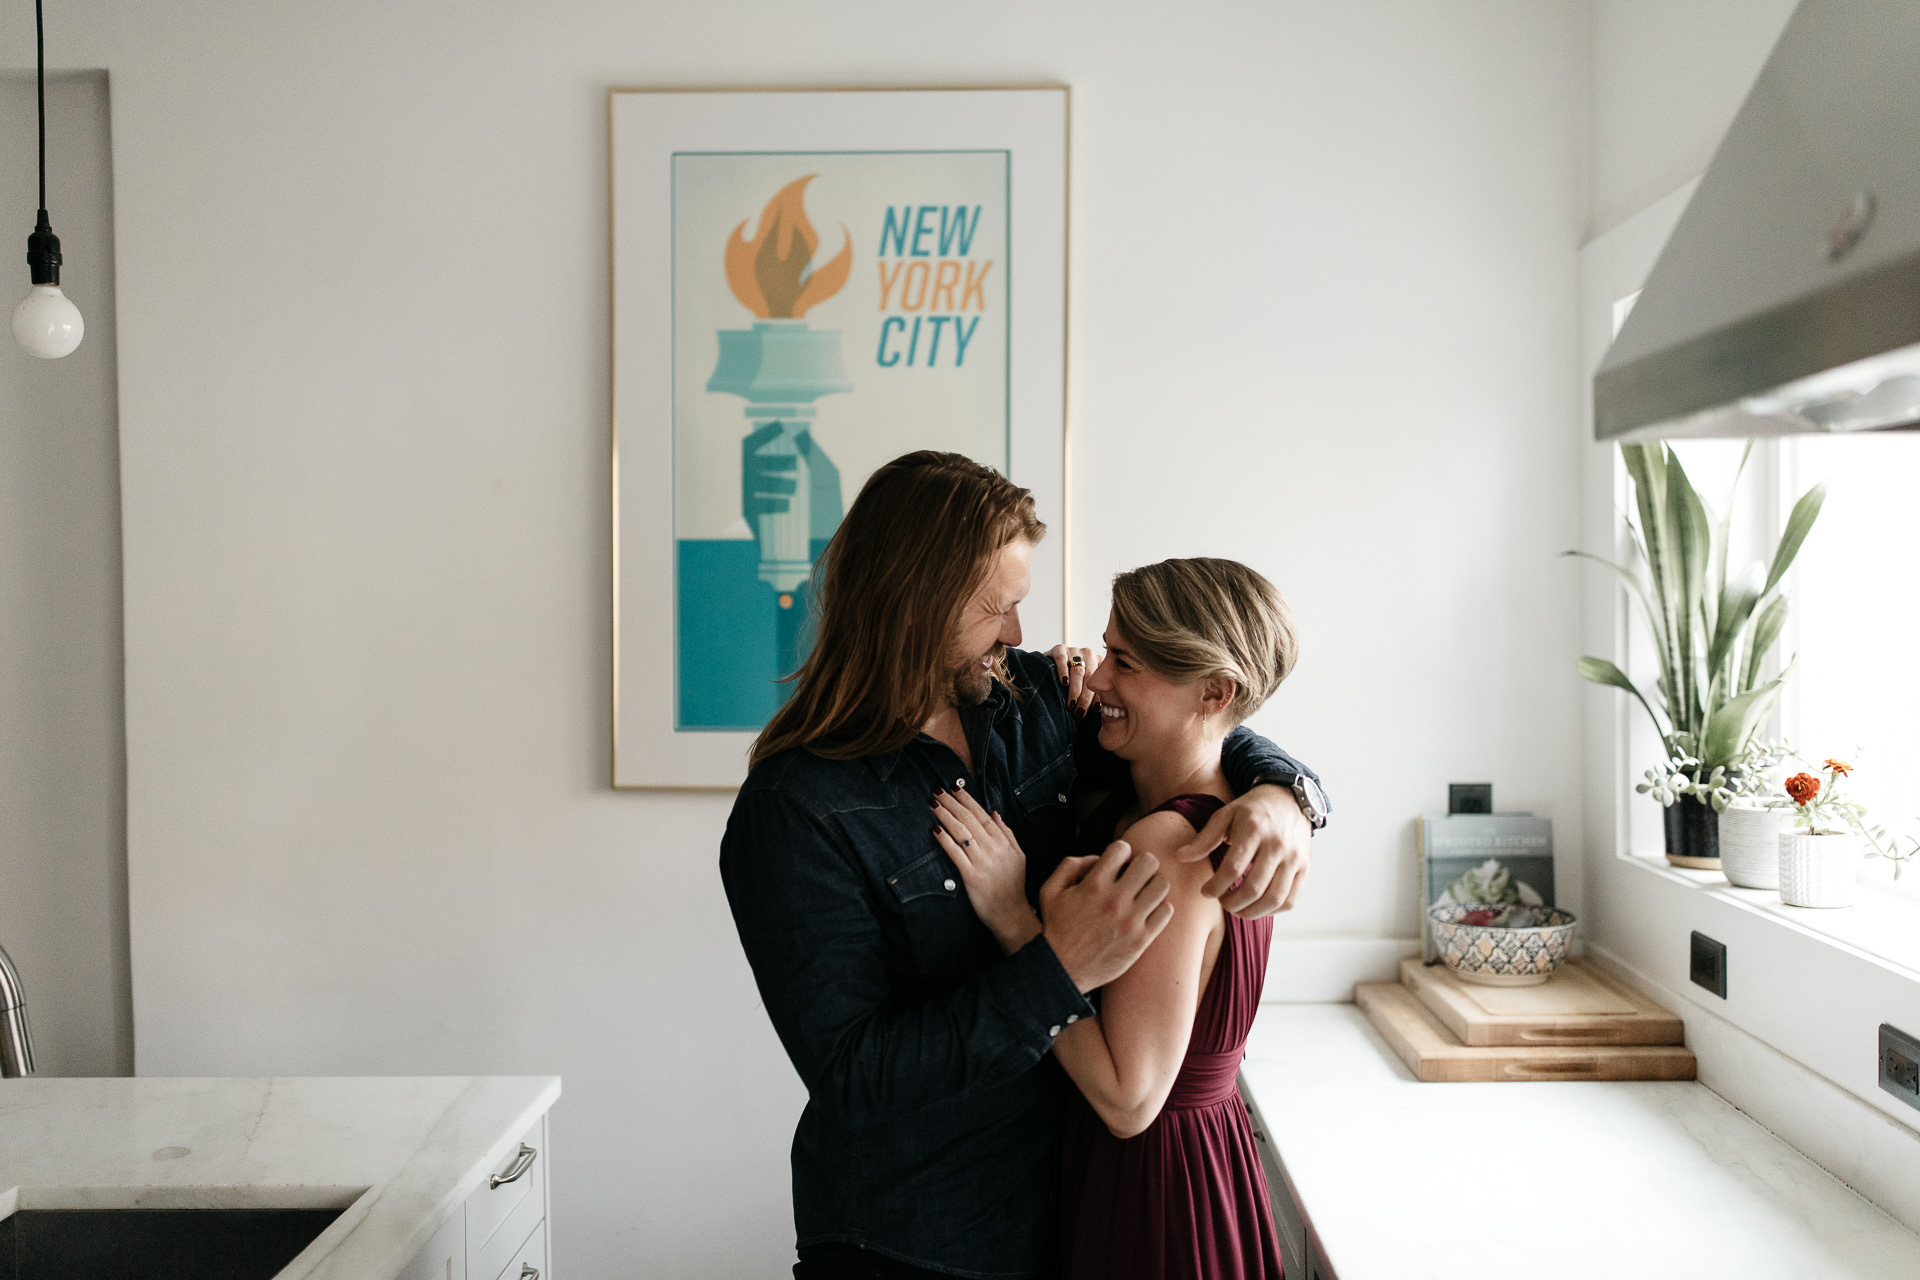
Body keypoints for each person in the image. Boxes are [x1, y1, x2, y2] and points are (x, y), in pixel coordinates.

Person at [720, 453, 1327, 1280]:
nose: (1015, 634)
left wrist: (1288, 797)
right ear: (914, 603)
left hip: (1083, 1211)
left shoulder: (1038, 702)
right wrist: (1056, 963)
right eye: (995, 608)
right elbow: (855, 1079)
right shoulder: (795, 809)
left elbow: (1187, 738)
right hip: (919, 1240)